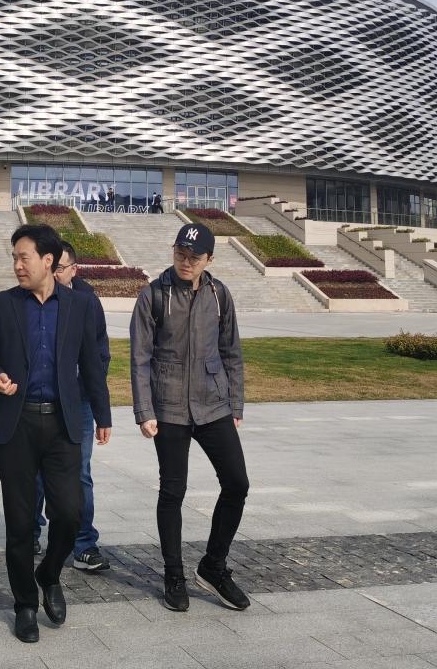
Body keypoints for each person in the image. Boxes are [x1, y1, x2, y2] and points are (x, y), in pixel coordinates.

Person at [0, 224, 112, 644]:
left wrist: (103, 414)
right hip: (16, 426)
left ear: (48, 261)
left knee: (69, 513)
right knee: (19, 523)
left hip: (62, 425)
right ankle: (25, 605)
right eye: (14, 258)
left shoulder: (80, 305)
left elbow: (92, 363)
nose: (17, 265)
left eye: (24, 257)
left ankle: (49, 573)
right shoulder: (2, 305)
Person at [128, 222, 250, 614]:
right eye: (180, 254)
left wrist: (235, 405)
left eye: (194, 257)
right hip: (169, 407)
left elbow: (231, 352)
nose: (185, 262)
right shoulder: (153, 295)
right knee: (172, 492)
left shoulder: (219, 295)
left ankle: (213, 566)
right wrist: (144, 411)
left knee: (237, 483)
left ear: (208, 260)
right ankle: (174, 575)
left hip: (213, 404)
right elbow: (140, 358)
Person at [32, 241, 111, 572]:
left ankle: (83, 543)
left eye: (59, 269)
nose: (53, 274)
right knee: (36, 471)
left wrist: (98, 407)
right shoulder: (31, 298)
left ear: (74, 270)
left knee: (80, 472)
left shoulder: (87, 302)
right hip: (39, 400)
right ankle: (31, 531)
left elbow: (100, 355)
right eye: (49, 267)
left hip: (77, 402)